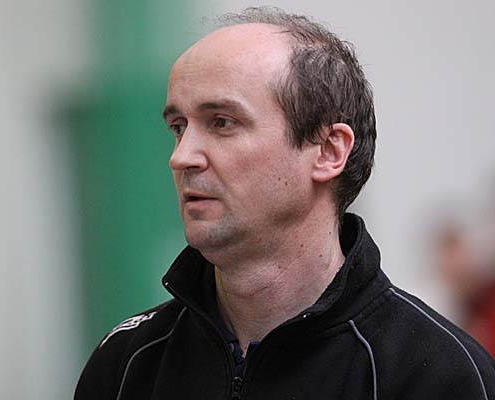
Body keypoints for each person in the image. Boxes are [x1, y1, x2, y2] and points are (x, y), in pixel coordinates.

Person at [75, 7, 495, 399]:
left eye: (221, 122)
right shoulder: (128, 363)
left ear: (328, 151)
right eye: (178, 127)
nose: (181, 156)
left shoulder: (437, 374)